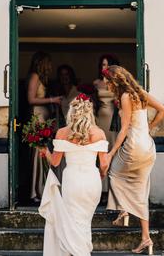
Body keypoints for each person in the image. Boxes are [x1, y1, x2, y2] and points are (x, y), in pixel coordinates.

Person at [103, 65, 164, 255]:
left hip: (134, 146)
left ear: (115, 81)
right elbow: (162, 109)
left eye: (107, 80)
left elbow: (123, 130)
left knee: (114, 172)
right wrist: (150, 128)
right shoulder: (139, 92)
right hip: (148, 147)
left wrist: (111, 152)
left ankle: (123, 211)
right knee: (140, 189)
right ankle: (146, 238)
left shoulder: (125, 97)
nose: (105, 83)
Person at [38, 93, 109, 256]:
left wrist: (44, 151)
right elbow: (104, 164)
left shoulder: (62, 133)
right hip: (92, 181)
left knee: (72, 222)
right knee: (84, 222)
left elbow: (55, 163)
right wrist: (101, 175)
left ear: (72, 112)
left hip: (73, 182)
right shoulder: (99, 133)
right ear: (89, 112)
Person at [27, 51, 62, 203]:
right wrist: (52, 99)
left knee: (44, 153)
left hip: (45, 118)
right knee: (39, 153)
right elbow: (31, 99)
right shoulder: (35, 76)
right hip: (38, 118)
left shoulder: (42, 78)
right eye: (48, 62)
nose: (50, 66)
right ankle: (36, 191)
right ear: (42, 63)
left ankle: (42, 188)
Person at [93, 55, 119, 202]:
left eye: (107, 65)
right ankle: (101, 190)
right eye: (103, 65)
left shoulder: (117, 83)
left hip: (113, 121)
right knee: (100, 153)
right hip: (100, 121)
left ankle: (112, 190)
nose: (104, 68)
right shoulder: (96, 83)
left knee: (112, 153)